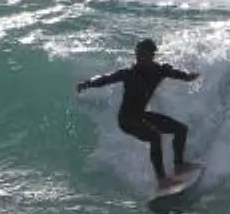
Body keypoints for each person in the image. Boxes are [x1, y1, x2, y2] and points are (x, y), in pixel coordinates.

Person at [76, 38, 200, 190]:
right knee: (154, 136)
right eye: (137, 54)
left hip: (141, 116)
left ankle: (179, 165)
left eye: (142, 54)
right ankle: (162, 180)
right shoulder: (129, 73)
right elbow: (105, 79)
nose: (138, 57)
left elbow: (180, 74)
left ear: (151, 55)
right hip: (127, 120)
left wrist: (190, 76)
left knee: (181, 129)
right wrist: (87, 83)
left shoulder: (160, 70)